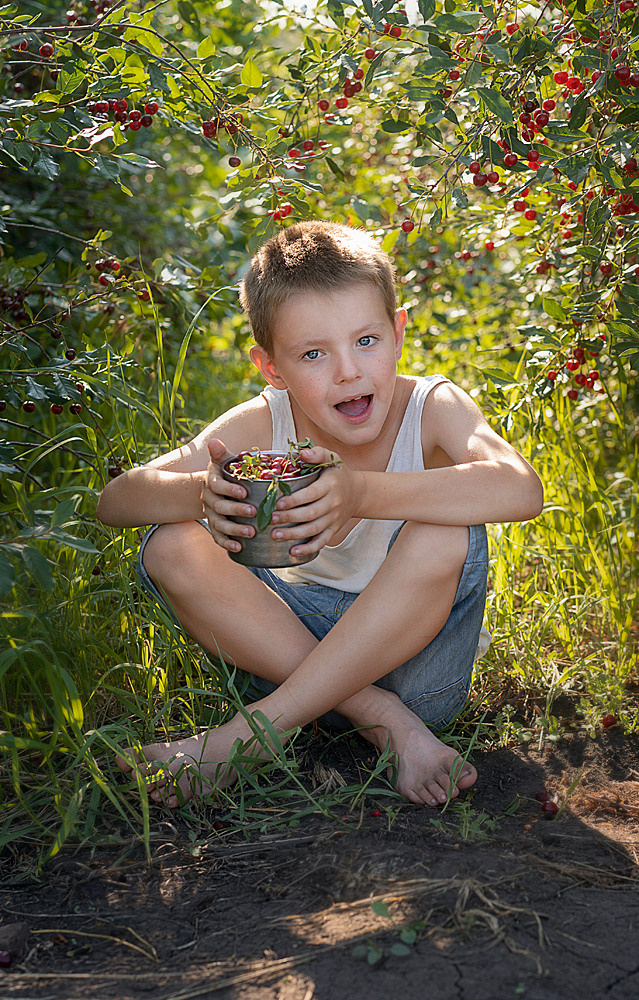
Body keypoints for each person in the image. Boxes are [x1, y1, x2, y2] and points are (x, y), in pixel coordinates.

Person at [96, 221, 543, 810]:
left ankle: (245, 737)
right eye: (313, 354)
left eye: (366, 340)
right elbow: (117, 500)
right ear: (272, 367)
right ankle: (378, 718)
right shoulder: (267, 421)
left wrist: (361, 495)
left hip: (418, 674)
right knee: (171, 544)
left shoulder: (430, 408)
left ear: (398, 329)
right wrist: (201, 498)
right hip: (286, 650)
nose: (348, 371)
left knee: (444, 528)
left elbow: (521, 489)